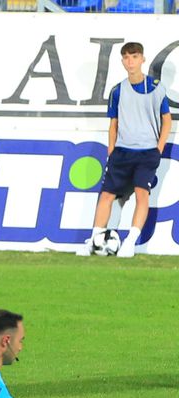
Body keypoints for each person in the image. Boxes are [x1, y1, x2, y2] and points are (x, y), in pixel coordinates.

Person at [82, 42, 171, 259]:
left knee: (142, 195)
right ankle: (94, 240)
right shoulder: (117, 90)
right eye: (126, 57)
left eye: (134, 56)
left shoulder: (157, 88)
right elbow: (113, 123)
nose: (130, 61)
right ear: (122, 61)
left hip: (147, 153)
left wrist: (158, 149)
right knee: (106, 195)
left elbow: (166, 120)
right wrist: (111, 150)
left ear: (142, 59)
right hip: (121, 152)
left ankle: (130, 242)